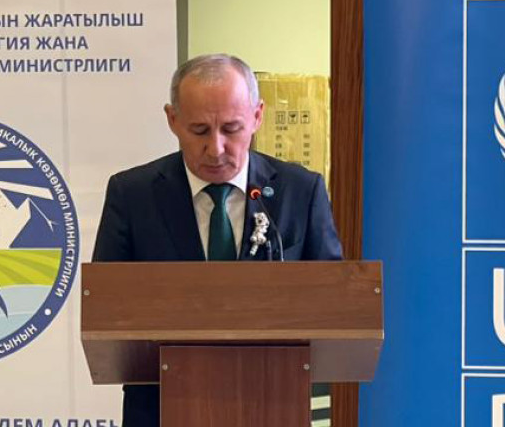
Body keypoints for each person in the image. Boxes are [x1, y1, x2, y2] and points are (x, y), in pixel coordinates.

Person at [92, 53, 343, 426]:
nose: (216, 148)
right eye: (199, 131)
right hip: (160, 409)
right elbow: (106, 308)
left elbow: (333, 304)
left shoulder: (300, 192)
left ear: (257, 116)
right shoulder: (133, 195)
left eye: (231, 128)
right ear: (172, 120)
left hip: (273, 402)